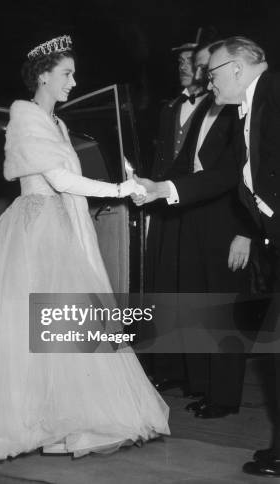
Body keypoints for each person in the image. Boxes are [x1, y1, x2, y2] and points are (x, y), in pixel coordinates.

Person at [0, 35, 170, 462]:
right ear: (43, 76)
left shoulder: (56, 124)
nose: (74, 82)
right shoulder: (25, 119)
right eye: (67, 73)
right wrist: (122, 188)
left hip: (59, 225)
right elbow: (62, 182)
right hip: (37, 228)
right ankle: (22, 421)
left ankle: (62, 420)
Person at [132, 36, 277, 477]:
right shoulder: (249, 108)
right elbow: (228, 174)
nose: (206, 82)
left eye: (211, 73)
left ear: (235, 68)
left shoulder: (274, 96)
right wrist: (167, 189)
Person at [140, 44, 253, 419]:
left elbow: (241, 176)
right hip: (197, 217)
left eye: (208, 67)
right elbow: (184, 166)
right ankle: (204, 385)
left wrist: (246, 233)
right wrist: (153, 188)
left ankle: (224, 396)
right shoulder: (206, 107)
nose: (202, 74)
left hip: (230, 223)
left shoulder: (243, 110)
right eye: (200, 67)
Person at [144, 33, 210, 393]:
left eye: (191, 62)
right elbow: (160, 159)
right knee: (164, 287)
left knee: (193, 291)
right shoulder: (169, 108)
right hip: (166, 206)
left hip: (198, 206)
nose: (184, 69)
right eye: (179, 63)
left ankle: (197, 373)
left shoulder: (220, 105)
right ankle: (168, 368)